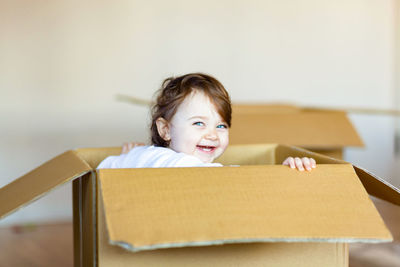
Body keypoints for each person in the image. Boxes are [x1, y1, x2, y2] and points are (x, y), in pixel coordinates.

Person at [98, 73, 316, 171]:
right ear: (165, 129)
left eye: (221, 126)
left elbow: (105, 166)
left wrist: (126, 157)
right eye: (198, 124)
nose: (213, 134)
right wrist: (281, 173)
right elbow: (233, 179)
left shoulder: (146, 155)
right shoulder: (168, 161)